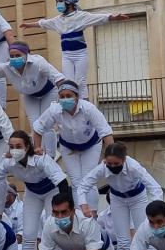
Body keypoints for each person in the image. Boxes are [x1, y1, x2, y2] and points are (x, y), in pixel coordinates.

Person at [76, 143, 163, 250]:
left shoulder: (134, 167)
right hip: (117, 198)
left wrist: (155, 209)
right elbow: (83, 185)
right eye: (109, 163)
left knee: (147, 239)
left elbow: (155, 188)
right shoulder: (103, 168)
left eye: (116, 164)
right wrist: (84, 206)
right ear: (104, 161)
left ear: (124, 160)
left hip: (138, 198)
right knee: (123, 242)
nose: (112, 166)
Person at [20, 0, 129, 98]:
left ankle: (84, 103)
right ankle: (72, 102)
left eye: (60, 0)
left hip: (80, 55)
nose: (58, 4)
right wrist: (29, 25)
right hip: (66, 55)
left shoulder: (81, 16)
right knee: (68, 81)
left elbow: (99, 18)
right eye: (56, 1)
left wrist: (112, 17)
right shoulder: (58, 20)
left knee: (80, 81)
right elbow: (44, 23)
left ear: (69, 0)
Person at [33, 80, 114, 211]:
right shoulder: (54, 110)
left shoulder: (88, 108)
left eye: (69, 96)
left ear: (77, 96)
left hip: (91, 146)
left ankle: (92, 213)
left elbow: (105, 131)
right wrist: (37, 148)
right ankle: (80, 214)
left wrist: (111, 155)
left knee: (89, 179)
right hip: (68, 147)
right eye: (62, 96)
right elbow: (38, 127)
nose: (65, 99)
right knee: (76, 182)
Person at [0, 41, 64, 156]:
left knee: (47, 125)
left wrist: (63, 98)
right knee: (35, 125)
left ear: (26, 55)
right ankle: (39, 154)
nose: (14, 58)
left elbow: (58, 78)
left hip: (49, 92)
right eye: (11, 56)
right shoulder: (6, 67)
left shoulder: (38, 62)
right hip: (29, 96)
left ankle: (51, 156)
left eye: (17, 55)